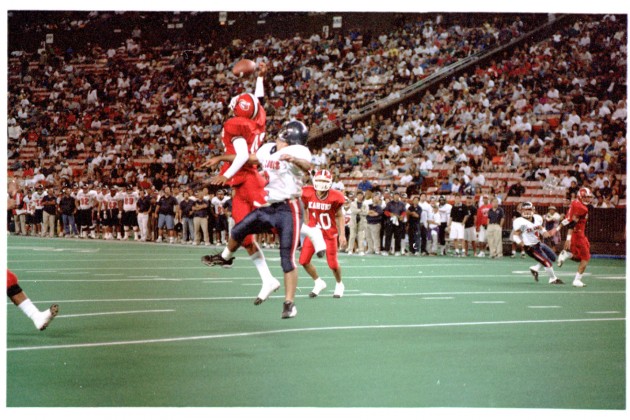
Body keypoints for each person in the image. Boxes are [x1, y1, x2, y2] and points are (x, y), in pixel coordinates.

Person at [202, 120, 313, 319]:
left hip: (290, 209)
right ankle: (225, 257)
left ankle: (289, 304)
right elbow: (247, 159)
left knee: (287, 259)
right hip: (270, 207)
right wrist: (221, 158)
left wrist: (294, 160)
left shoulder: (299, 151)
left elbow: (308, 166)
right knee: (239, 230)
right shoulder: (269, 149)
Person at [299, 169, 347, 298]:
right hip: (314, 232)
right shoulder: (308, 192)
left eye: (324, 181)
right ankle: (318, 282)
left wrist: (342, 234)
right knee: (303, 261)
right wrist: (307, 223)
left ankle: (339, 284)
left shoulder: (335, 196)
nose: (321, 183)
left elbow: (340, 216)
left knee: (332, 263)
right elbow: (304, 207)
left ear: (330, 182)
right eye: (319, 180)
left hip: (329, 233)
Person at [512, 202, 563, 285]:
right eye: (525, 210)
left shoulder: (537, 218)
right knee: (547, 262)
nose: (527, 212)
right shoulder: (520, 222)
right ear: (521, 211)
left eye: (529, 209)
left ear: (533, 210)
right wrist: (522, 244)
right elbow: (515, 236)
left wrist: (545, 232)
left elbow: (540, 228)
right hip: (530, 247)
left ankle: (535, 268)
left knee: (553, 257)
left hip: (538, 244)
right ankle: (553, 279)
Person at [554, 187, 593, 288]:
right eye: (585, 197)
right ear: (580, 197)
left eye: (589, 197)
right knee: (585, 258)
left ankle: (567, 254)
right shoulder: (582, 208)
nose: (587, 199)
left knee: (580, 257)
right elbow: (572, 223)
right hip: (578, 234)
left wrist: (559, 227)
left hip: (579, 234)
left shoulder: (576, 203)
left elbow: (568, 219)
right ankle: (577, 280)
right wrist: (568, 239)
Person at [382, 191, 406, 256]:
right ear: (393, 196)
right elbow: (385, 212)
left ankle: (397, 250)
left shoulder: (402, 204)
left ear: (399, 196)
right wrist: (390, 214)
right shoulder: (389, 203)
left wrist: (402, 216)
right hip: (390, 222)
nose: (396, 196)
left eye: (397, 195)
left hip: (398, 222)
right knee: (388, 236)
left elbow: (404, 212)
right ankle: (386, 250)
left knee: (398, 237)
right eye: (395, 195)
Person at [346, 190, 367, 255]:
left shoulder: (364, 204)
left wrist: (360, 211)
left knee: (361, 237)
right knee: (352, 236)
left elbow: (366, 212)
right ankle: (350, 250)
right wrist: (361, 210)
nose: (360, 196)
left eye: (361, 195)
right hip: (353, 222)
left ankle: (361, 250)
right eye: (358, 195)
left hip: (361, 222)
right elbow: (353, 210)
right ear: (357, 196)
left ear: (363, 196)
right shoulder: (353, 203)